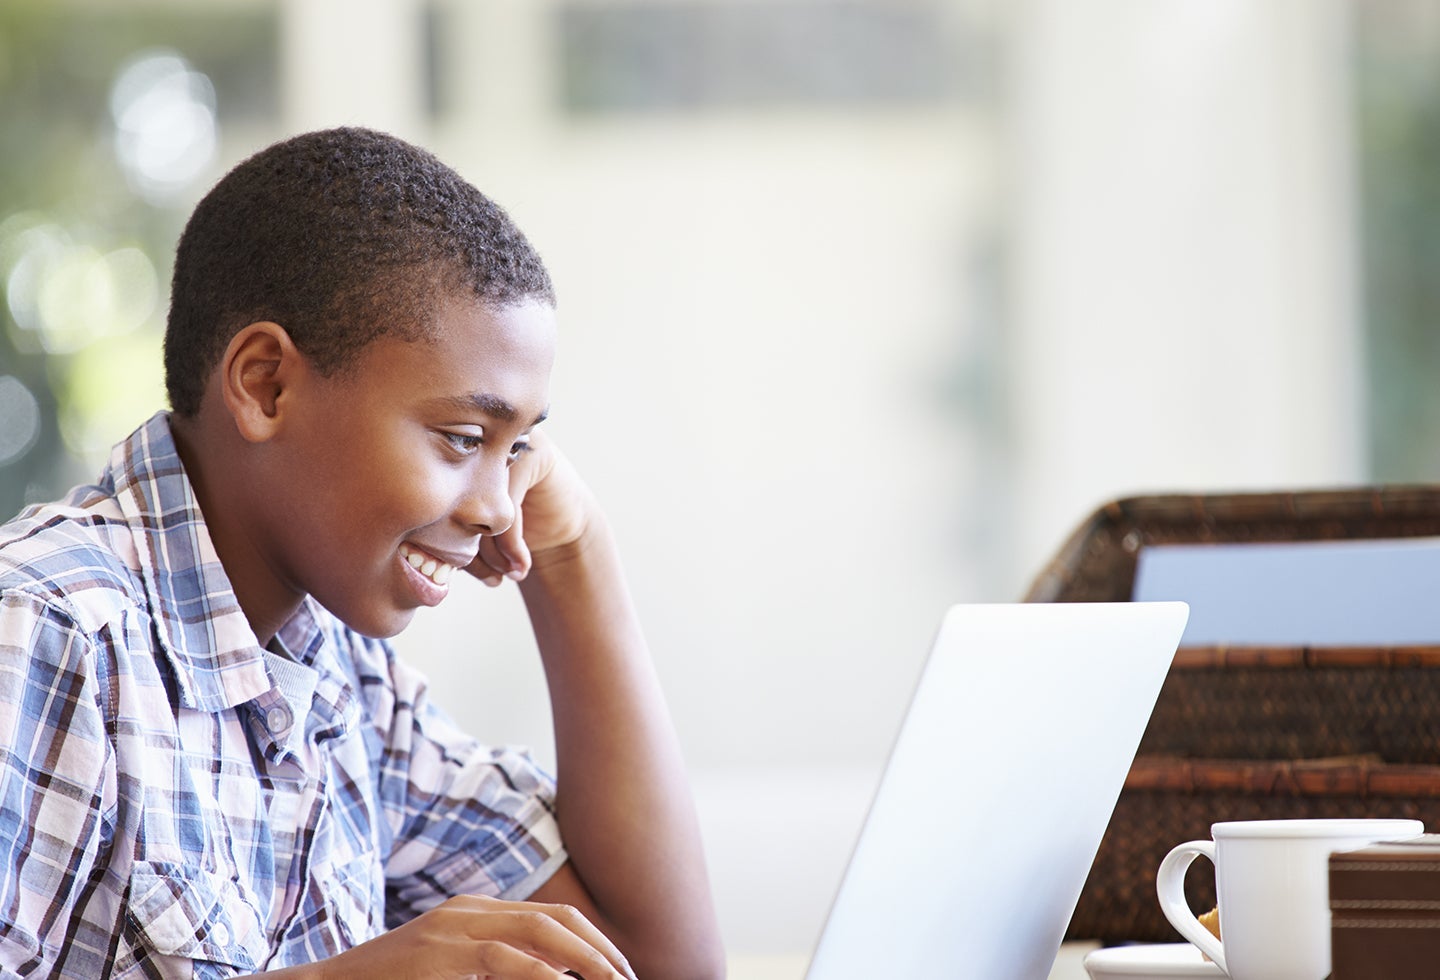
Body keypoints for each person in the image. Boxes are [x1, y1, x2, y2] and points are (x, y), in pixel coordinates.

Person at [0, 127, 725, 979]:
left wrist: (574, 551)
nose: (498, 508)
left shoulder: (345, 679)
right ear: (266, 385)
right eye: (462, 438)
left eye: (519, 448)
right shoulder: (44, 633)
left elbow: (653, 962)